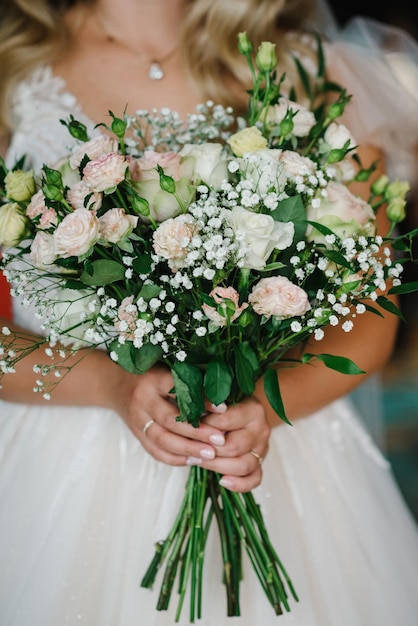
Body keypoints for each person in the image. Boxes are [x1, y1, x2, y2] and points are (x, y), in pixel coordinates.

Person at [0, 1, 418, 625]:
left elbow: (369, 321)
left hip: (285, 466)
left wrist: (269, 407)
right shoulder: (10, 75)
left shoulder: (315, 78)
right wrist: (113, 385)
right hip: (56, 475)